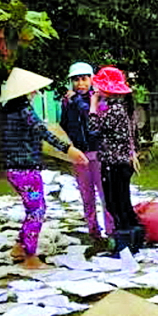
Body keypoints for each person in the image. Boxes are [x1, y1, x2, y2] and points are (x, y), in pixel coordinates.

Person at [0, 67, 88, 270]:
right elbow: (42, 132)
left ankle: (19, 248)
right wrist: (69, 149)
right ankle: (30, 256)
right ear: (26, 91)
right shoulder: (24, 109)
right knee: (37, 211)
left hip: (13, 168)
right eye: (34, 90)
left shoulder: (8, 110)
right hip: (25, 169)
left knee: (33, 209)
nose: (36, 93)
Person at [88, 66, 142, 251]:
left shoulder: (115, 110)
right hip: (121, 163)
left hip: (114, 163)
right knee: (122, 202)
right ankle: (134, 238)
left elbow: (93, 128)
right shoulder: (122, 108)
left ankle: (127, 242)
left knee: (115, 204)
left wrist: (93, 105)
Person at [60, 61, 111, 239]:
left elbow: (91, 117)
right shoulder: (67, 102)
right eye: (76, 80)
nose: (80, 84)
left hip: (99, 153)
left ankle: (111, 232)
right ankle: (93, 231)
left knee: (105, 195)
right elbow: (64, 124)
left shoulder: (99, 98)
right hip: (80, 154)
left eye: (83, 79)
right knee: (87, 196)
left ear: (91, 79)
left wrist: (75, 100)